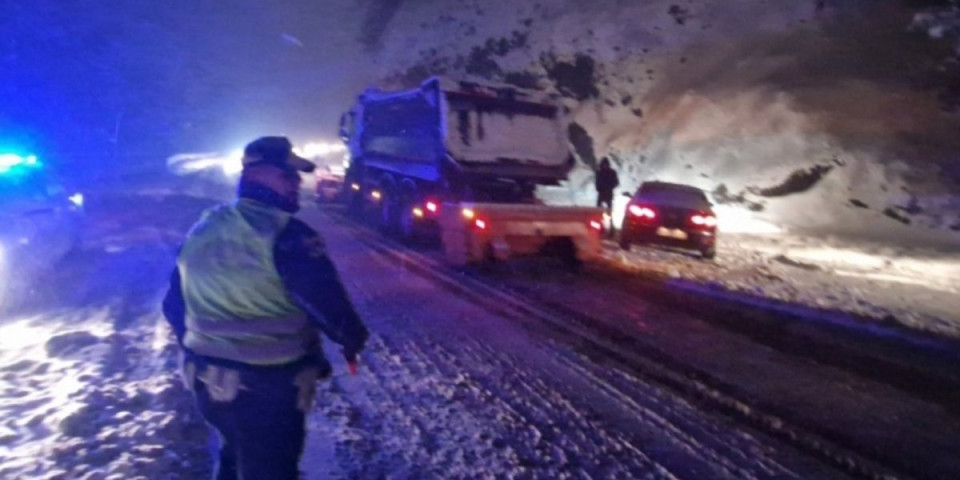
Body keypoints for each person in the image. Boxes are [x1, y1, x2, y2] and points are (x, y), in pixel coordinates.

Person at [162, 136, 369, 480]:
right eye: (288, 176)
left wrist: (203, 347)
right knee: (271, 468)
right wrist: (351, 336)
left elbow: (173, 304)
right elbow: (324, 300)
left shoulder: (206, 226)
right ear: (259, 176)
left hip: (207, 385)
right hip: (266, 389)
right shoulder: (289, 234)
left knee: (236, 452)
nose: (297, 183)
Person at [595, 157, 620, 234]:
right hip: (604, 193)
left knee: (608, 212)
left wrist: (608, 187)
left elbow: (616, 183)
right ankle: (601, 227)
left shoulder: (608, 172)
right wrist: (601, 188)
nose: (605, 166)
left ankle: (610, 229)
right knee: (599, 212)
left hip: (607, 193)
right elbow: (597, 182)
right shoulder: (605, 172)